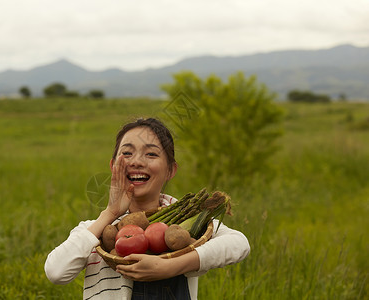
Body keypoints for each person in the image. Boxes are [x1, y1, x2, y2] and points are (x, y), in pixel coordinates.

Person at [45, 117, 250, 300]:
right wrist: (110, 213)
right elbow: (56, 272)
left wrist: (169, 267)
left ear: (171, 170)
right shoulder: (95, 230)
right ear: (113, 166)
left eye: (151, 154)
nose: (136, 162)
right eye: (127, 153)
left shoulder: (185, 224)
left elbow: (239, 244)